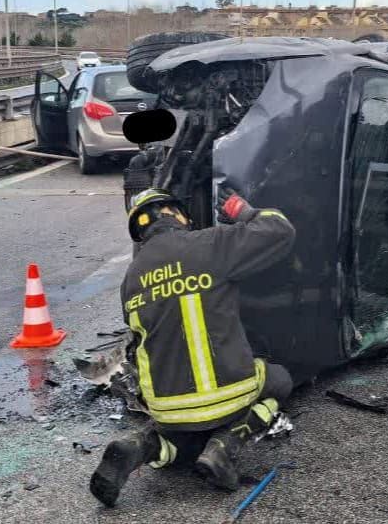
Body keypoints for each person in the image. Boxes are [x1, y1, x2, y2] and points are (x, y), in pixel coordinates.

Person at [89, 186, 296, 507]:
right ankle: (226, 445)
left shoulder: (131, 278)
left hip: (168, 408)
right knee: (280, 380)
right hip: (231, 391)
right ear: (180, 216)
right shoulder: (210, 244)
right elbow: (279, 230)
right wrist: (238, 207)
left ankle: (143, 446)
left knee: (183, 443)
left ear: (140, 232)